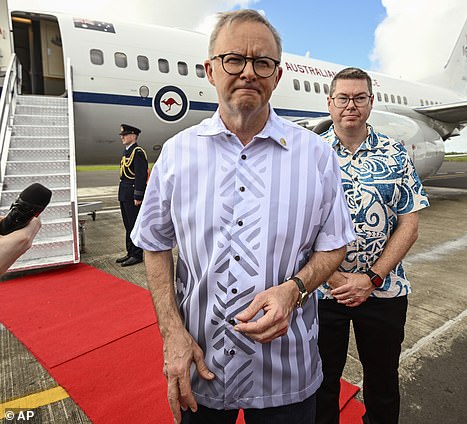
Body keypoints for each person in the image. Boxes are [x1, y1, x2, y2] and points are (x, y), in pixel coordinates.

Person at [130, 10, 355, 424]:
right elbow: (155, 243)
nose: (248, 72)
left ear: (277, 75)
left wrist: (296, 289)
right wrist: (171, 334)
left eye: (262, 62)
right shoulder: (176, 155)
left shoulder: (317, 155)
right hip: (199, 368)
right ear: (210, 69)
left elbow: (335, 243)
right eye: (234, 59)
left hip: (286, 374)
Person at [315, 67, 430, 424]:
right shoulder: (311, 155)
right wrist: (334, 280)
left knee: (382, 382)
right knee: (321, 383)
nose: (351, 105)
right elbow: (298, 228)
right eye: (343, 98)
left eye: (359, 98)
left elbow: (409, 224)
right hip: (323, 293)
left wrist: (372, 278)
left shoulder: (394, 152)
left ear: (370, 102)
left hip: (384, 291)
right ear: (330, 103)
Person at [116, 123, 147, 267]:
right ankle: (130, 252)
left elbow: (141, 176)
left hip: (132, 193)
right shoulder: (127, 151)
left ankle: (137, 254)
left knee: (134, 225)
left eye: (125, 134)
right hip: (124, 192)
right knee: (128, 225)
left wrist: (138, 196)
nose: (122, 137)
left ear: (133, 136)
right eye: (122, 135)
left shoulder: (138, 152)